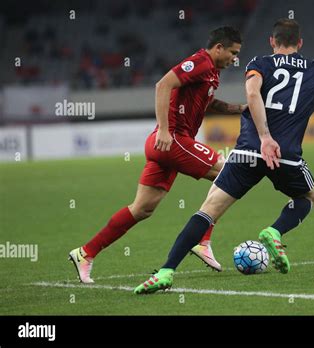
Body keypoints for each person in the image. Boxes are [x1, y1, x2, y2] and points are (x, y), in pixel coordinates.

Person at [133, 18, 314, 294]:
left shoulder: (259, 63)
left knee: (207, 210)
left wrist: (263, 136)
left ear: (272, 41)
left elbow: (253, 95)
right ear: (300, 43)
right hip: (285, 156)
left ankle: (166, 272)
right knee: (306, 198)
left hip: (245, 153)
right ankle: (275, 231)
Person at [68, 27, 244, 283]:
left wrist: (239, 108)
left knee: (142, 208)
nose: (235, 58)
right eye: (233, 52)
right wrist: (164, 129)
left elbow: (208, 101)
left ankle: (86, 253)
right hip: (172, 139)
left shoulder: (210, 72)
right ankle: (202, 240)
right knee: (230, 174)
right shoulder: (200, 62)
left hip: (166, 146)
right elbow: (163, 84)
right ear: (219, 48)